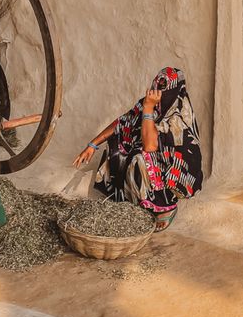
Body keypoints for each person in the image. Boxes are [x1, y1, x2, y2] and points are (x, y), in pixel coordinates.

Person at [73, 66, 203, 231]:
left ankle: (164, 207)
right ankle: (133, 201)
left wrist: (148, 108)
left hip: (176, 173)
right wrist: (92, 145)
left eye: (162, 87)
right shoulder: (148, 103)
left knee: (142, 158)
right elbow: (123, 122)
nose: (156, 91)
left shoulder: (178, 115)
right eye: (155, 85)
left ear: (175, 89)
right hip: (153, 160)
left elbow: (150, 146)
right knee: (118, 146)